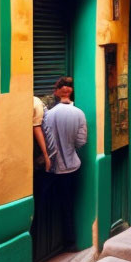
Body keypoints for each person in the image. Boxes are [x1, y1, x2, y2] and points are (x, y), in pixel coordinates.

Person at [41, 77, 87, 250]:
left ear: (56, 92)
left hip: (52, 169)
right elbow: (81, 141)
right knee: (67, 206)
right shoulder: (79, 114)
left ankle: (42, 246)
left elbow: (45, 141)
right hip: (71, 168)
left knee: (44, 203)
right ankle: (69, 243)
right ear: (70, 92)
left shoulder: (48, 115)